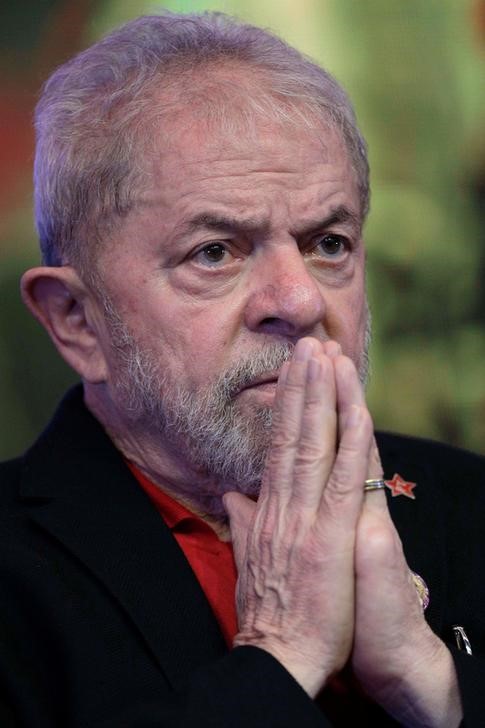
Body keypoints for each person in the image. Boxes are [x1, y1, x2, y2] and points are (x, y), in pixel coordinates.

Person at [0, 12, 483, 727]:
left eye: (328, 241)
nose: (298, 299)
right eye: (215, 252)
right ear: (76, 319)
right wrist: (282, 656)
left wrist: (429, 684)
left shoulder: (472, 506)